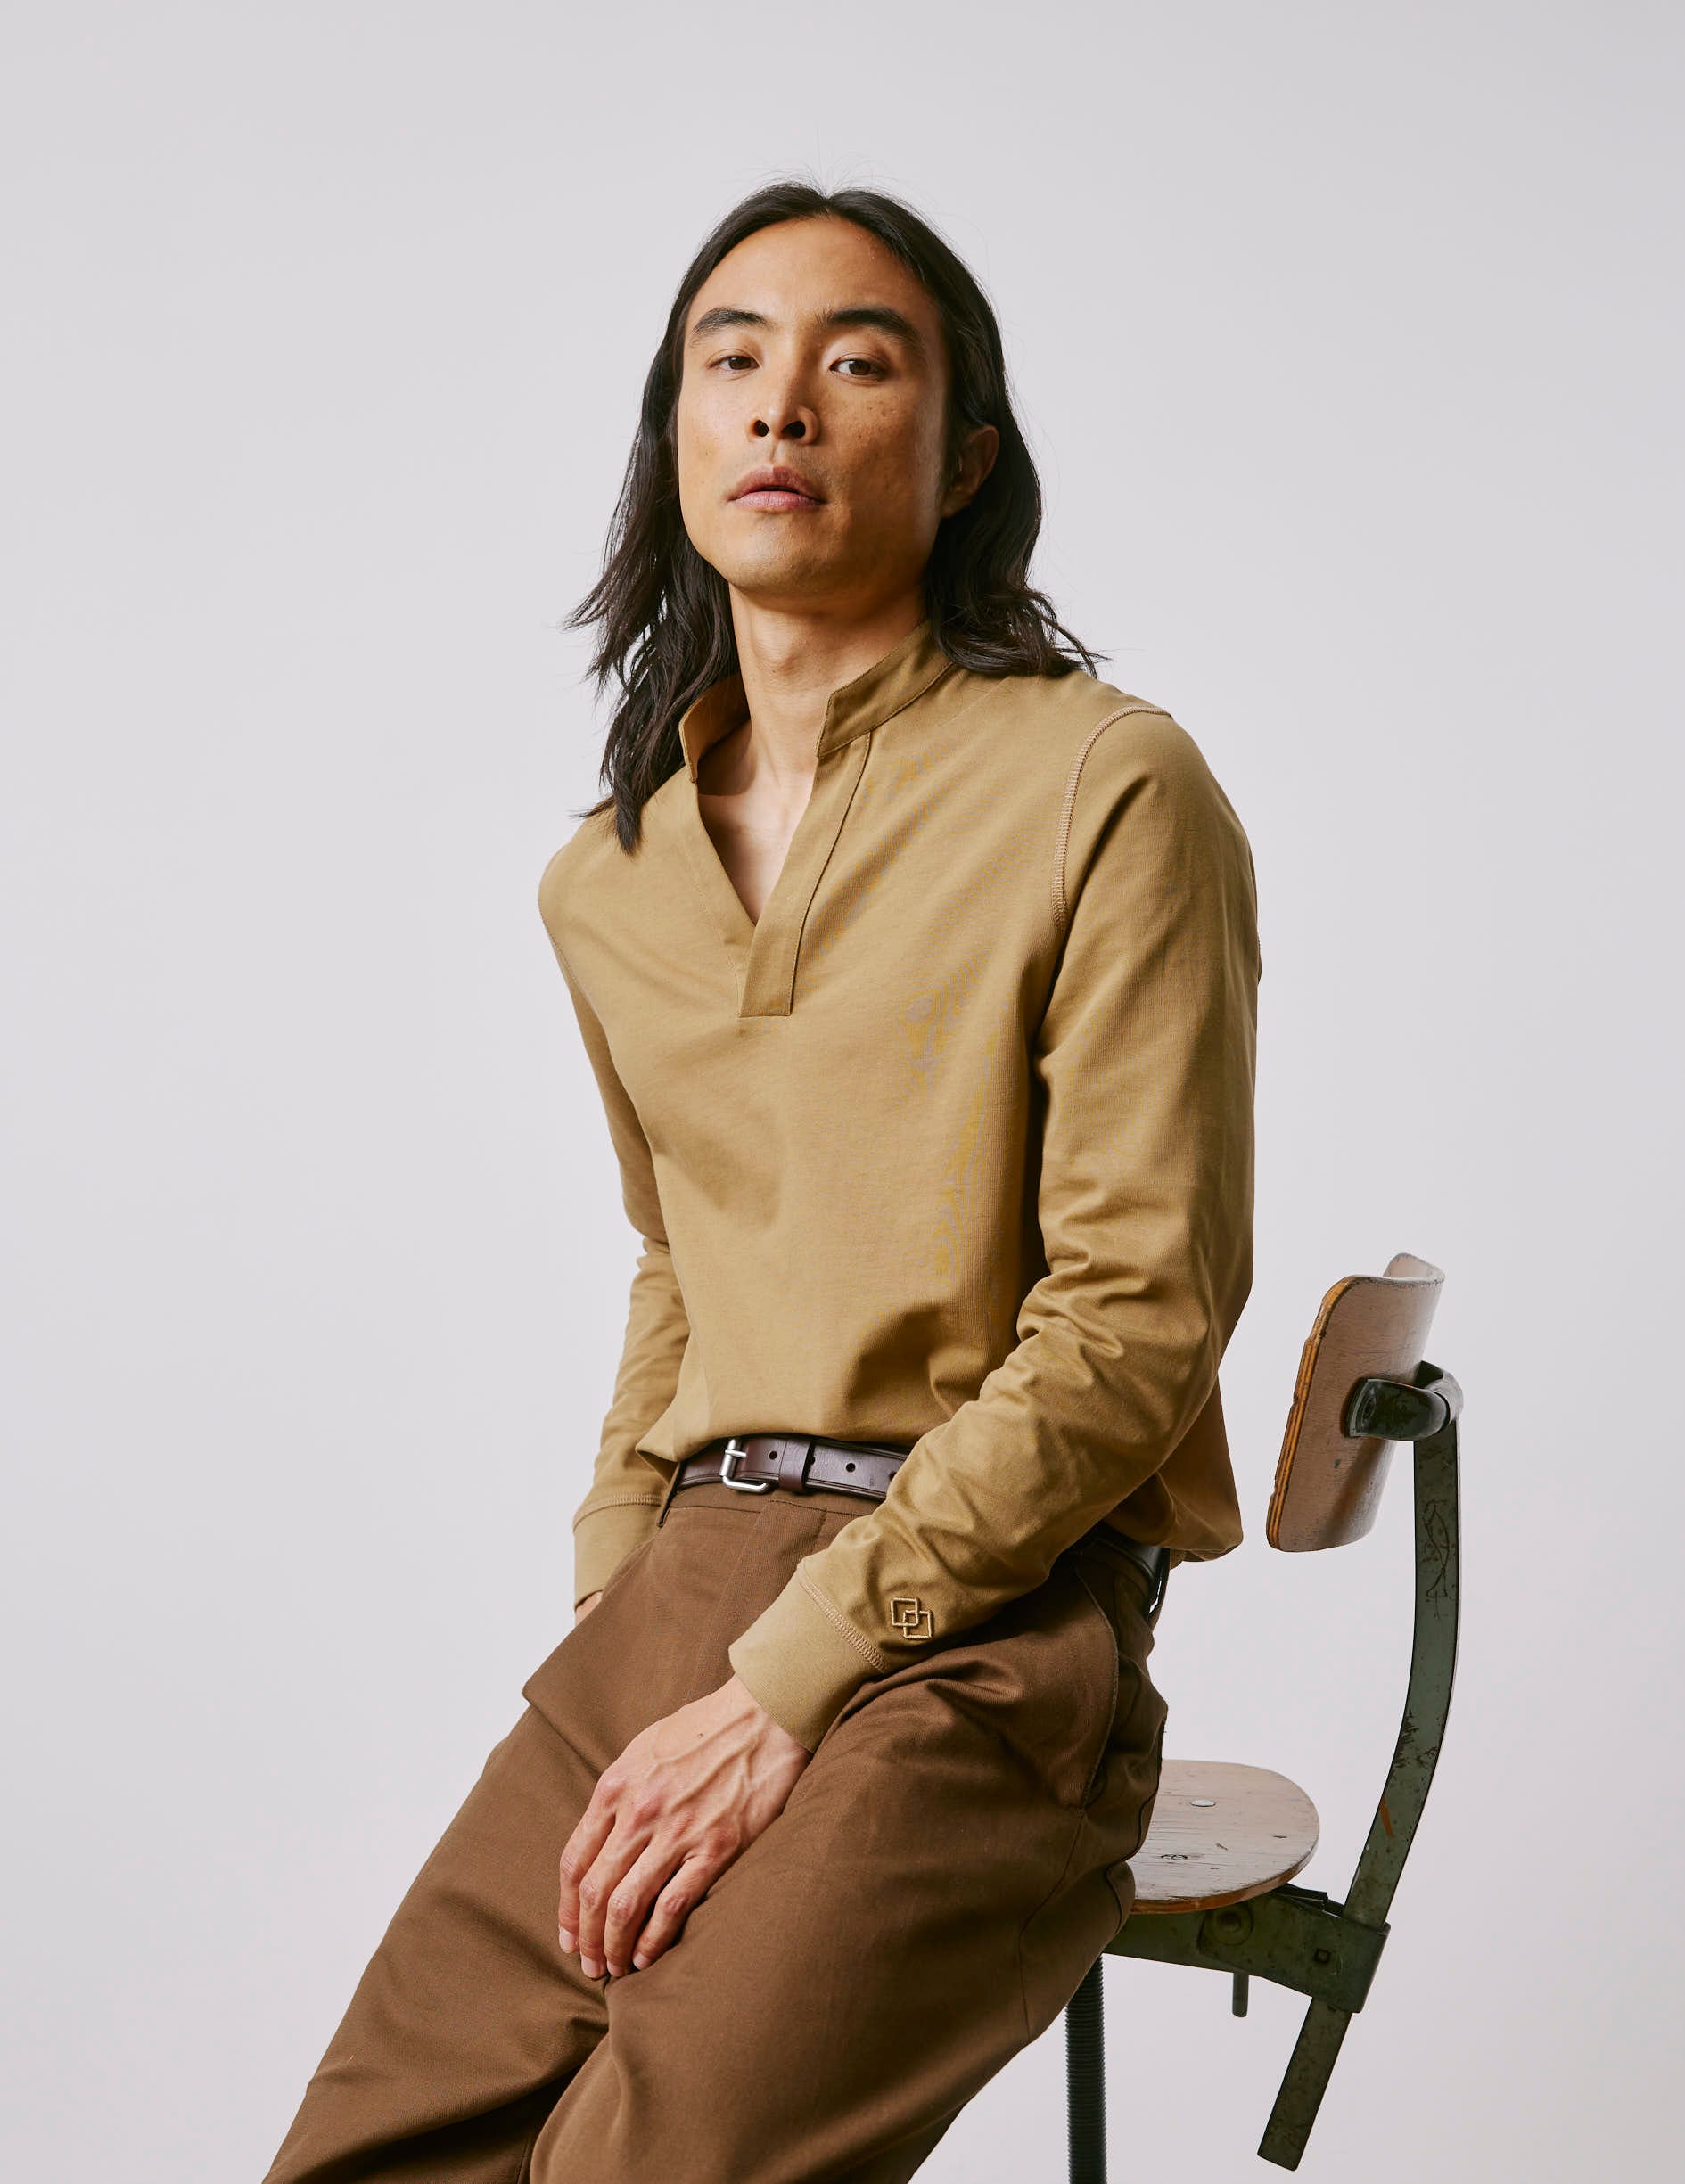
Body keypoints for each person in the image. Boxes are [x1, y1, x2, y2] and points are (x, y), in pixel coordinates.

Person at [262, 178, 1261, 2184]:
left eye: (857, 361)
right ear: (677, 437)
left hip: (990, 1609)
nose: (781, 405)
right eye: (731, 360)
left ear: (964, 460)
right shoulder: (610, 876)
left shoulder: (1105, 782)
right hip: (687, 1577)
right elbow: (680, 1258)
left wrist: (797, 1674)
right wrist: (616, 1583)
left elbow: (1138, 1317)